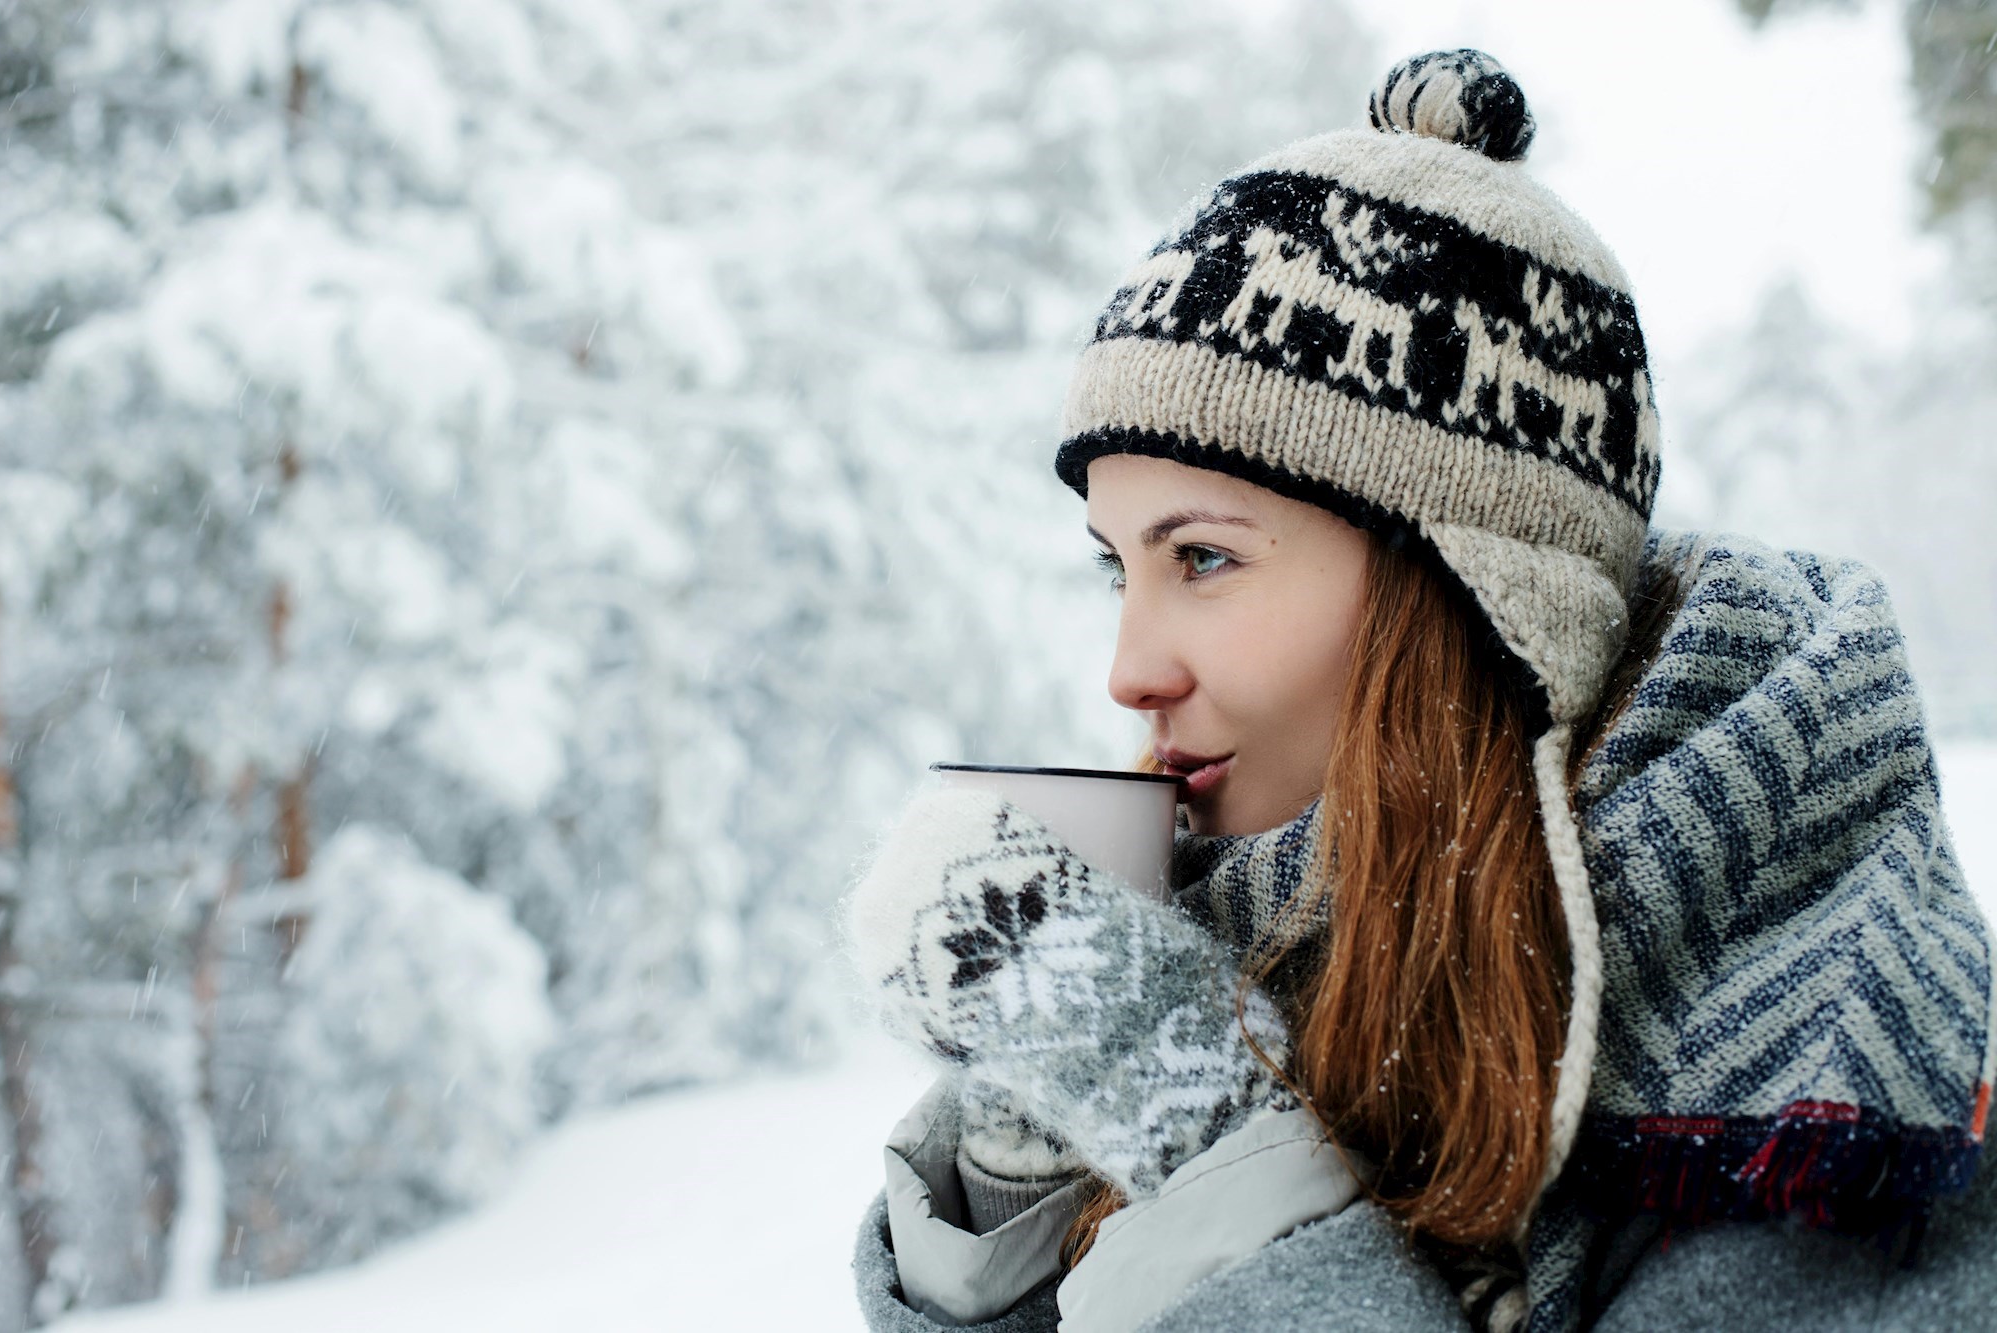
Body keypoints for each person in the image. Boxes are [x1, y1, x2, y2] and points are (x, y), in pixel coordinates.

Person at [835, 49, 1997, 1333]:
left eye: (1203, 557)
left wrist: (1204, 1146)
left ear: (1472, 592)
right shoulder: (1267, 942)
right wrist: (1028, 1145)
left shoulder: (1821, 1080)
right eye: (1118, 569)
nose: (1128, 668)